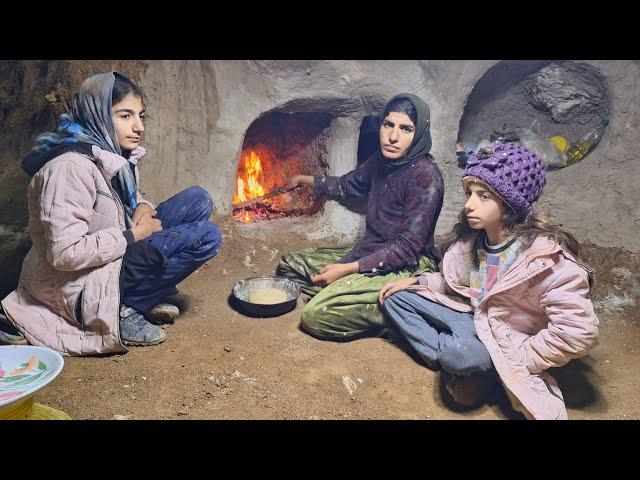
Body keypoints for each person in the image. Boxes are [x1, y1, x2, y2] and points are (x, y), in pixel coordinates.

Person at [0, 71, 222, 355]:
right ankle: (125, 307)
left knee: (198, 199)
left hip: (110, 257)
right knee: (207, 237)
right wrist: (133, 235)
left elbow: (115, 204)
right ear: (99, 115)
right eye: (125, 116)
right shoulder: (68, 168)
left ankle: (134, 291)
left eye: (141, 116)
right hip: (79, 287)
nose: (138, 126)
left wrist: (142, 207)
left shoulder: (106, 152)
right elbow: (64, 254)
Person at [379, 141, 599, 420]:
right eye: (469, 193)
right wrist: (419, 284)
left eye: (483, 196)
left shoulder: (545, 260)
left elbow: (578, 332)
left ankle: (473, 366)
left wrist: (521, 357)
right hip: (469, 316)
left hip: (506, 337)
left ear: (509, 202)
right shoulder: (475, 241)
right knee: (396, 300)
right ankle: (477, 369)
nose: (469, 205)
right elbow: (459, 286)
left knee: (459, 355)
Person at [276, 93, 444, 341]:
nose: (393, 136)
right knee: (289, 266)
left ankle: (399, 311)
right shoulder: (381, 161)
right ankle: (344, 295)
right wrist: (304, 179)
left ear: (419, 133)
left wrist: (346, 270)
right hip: (370, 250)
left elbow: (407, 248)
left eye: (406, 129)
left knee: (314, 315)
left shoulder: (426, 177)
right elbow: (348, 185)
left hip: (406, 265)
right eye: (388, 125)